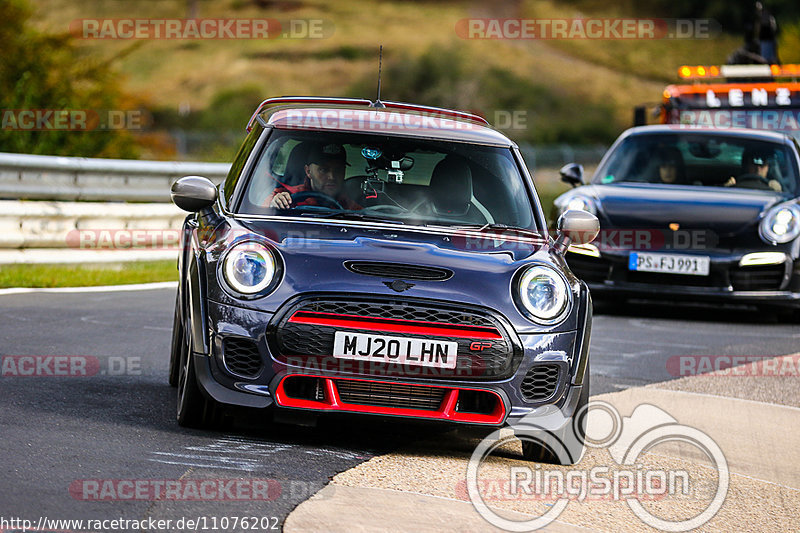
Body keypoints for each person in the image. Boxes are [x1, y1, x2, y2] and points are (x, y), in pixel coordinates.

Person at [268, 143, 361, 210]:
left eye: (338, 170)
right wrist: (275, 204)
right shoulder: (286, 196)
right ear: (308, 171)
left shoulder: (349, 204)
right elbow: (263, 213)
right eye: (323, 170)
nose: (332, 177)